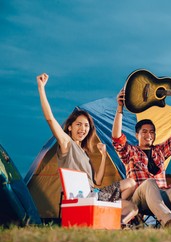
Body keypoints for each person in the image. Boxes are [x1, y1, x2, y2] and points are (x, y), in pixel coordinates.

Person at [36, 73, 137, 224]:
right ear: (69, 127)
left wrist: (103, 156)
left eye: (86, 125)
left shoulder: (84, 152)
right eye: (78, 124)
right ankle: (114, 221)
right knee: (132, 207)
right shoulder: (66, 144)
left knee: (131, 185)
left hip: (95, 194)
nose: (83, 128)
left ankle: (110, 214)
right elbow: (50, 119)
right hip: (83, 198)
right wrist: (41, 88)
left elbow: (97, 180)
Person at [112, 89, 171, 228]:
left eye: (152, 132)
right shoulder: (131, 152)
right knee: (149, 182)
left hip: (161, 196)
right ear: (137, 135)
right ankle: (168, 222)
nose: (149, 135)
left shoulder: (159, 151)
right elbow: (117, 139)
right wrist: (119, 108)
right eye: (144, 132)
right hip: (140, 198)